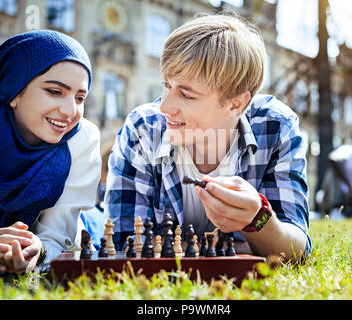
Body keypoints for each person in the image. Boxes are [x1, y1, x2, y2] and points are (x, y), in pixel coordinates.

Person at [105, 13, 311, 263]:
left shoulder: (276, 127)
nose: (165, 107)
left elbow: (297, 249)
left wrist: (258, 219)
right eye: (167, 85)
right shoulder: (143, 129)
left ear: (235, 104)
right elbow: (123, 241)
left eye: (187, 95)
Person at [0, 30, 101, 276]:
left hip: (87, 226)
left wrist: (40, 251)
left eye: (80, 97)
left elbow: (62, 236)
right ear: (13, 91)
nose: (70, 111)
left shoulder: (83, 138)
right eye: (55, 91)